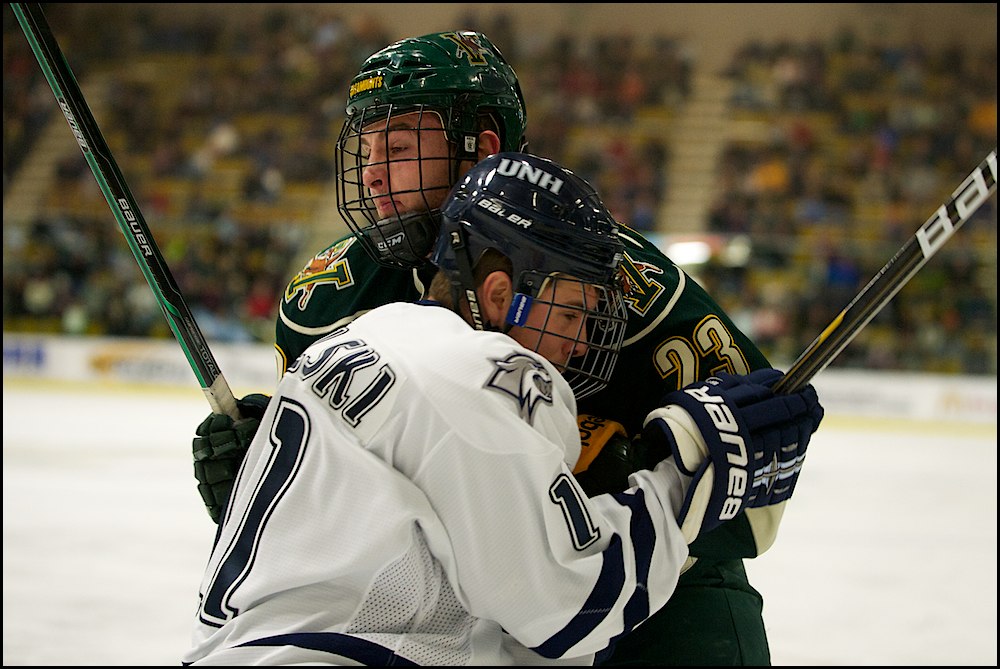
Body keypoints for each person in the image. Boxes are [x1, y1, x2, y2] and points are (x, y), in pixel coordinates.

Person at [191, 31, 794, 665]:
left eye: (396, 146)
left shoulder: (622, 289)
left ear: (481, 148)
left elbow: (755, 465)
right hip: (459, 612)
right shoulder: (330, 298)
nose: (370, 173)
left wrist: (626, 477)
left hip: (652, 595)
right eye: (365, 149)